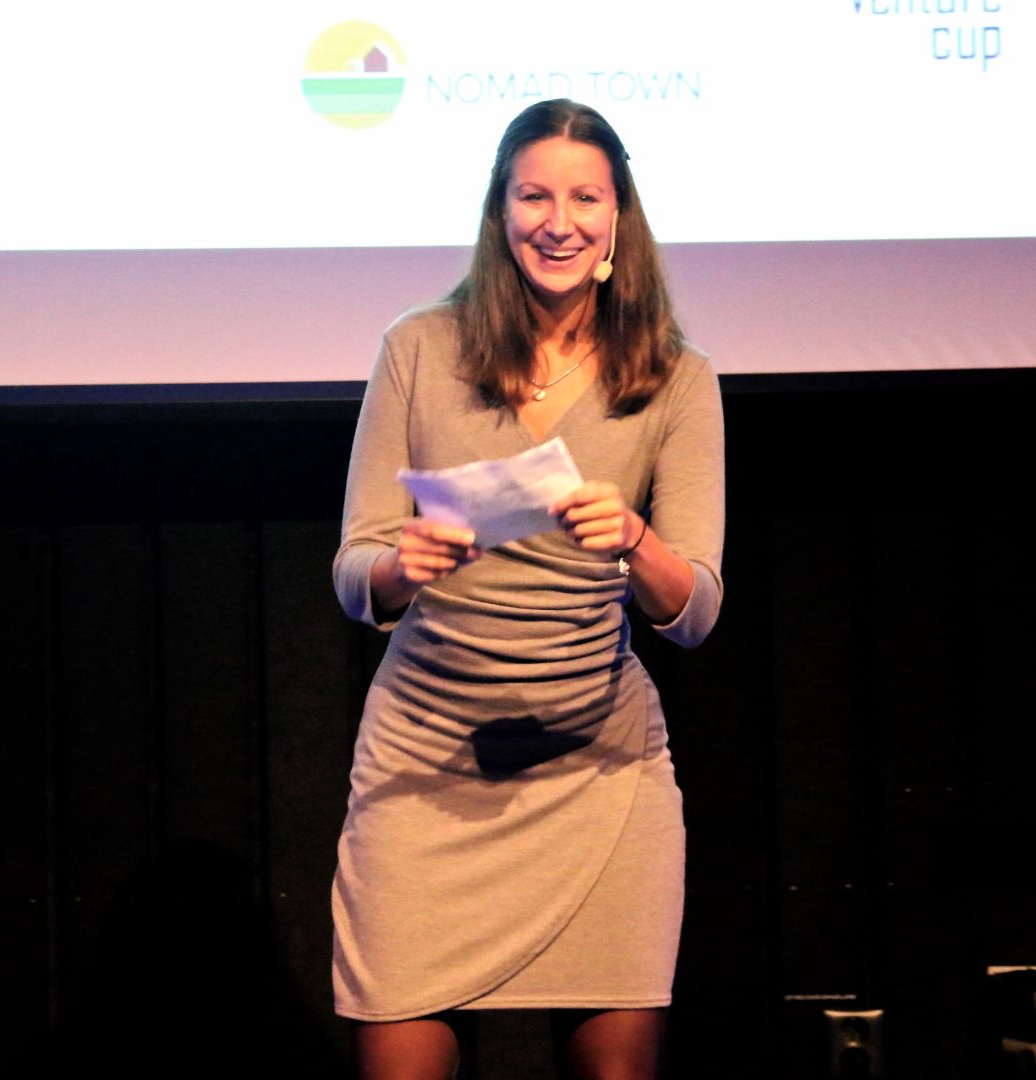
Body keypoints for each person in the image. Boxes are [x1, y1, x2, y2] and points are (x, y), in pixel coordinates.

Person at [331, 98, 724, 1079]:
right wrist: (398, 565)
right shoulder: (420, 349)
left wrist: (636, 541)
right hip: (425, 775)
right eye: (534, 195)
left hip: (601, 776)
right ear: (500, 212)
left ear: (617, 217)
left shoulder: (675, 376)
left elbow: (699, 607)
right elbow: (353, 569)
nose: (559, 220)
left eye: (584, 197)